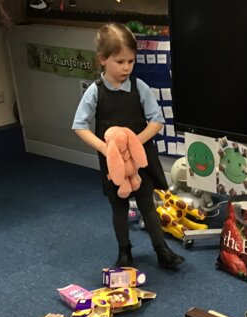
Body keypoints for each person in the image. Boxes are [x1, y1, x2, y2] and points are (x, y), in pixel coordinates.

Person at [73, 22, 184, 269]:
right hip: (113, 162)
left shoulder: (139, 87)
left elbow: (157, 120)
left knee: (147, 203)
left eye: (131, 61)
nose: (126, 67)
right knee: (119, 205)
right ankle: (124, 250)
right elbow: (79, 126)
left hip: (139, 159)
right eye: (120, 61)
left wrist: (135, 143)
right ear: (102, 59)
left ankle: (161, 249)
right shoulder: (95, 92)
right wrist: (105, 148)